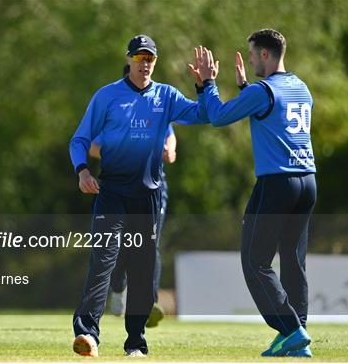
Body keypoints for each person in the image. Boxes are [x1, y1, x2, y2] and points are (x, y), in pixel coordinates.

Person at [69, 34, 208, 358]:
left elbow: (205, 115)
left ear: (154, 63)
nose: (145, 64)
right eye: (140, 58)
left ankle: (135, 342)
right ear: (130, 59)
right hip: (112, 192)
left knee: (143, 270)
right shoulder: (107, 96)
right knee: (103, 262)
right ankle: (87, 335)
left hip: (147, 195)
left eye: (150, 59)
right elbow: (80, 139)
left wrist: (205, 86)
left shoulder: (166, 96)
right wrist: (83, 171)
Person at [195, 29, 316, 357]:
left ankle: (292, 330)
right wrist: (245, 89)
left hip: (277, 183)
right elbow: (271, 119)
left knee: (255, 262)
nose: (249, 59)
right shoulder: (301, 87)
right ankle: (296, 335)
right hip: (307, 181)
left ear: (265, 54)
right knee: (293, 261)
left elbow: (218, 116)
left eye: (252, 53)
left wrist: (207, 83)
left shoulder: (265, 90)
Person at [90, 97, 176, 327]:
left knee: (151, 241)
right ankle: (118, 288)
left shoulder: (157, 104)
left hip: (153, 186)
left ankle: (149, 303)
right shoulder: (114, 108)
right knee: (119, 243)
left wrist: (171, 149)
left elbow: (169, 133)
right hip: (119, 185)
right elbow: (93, 146)